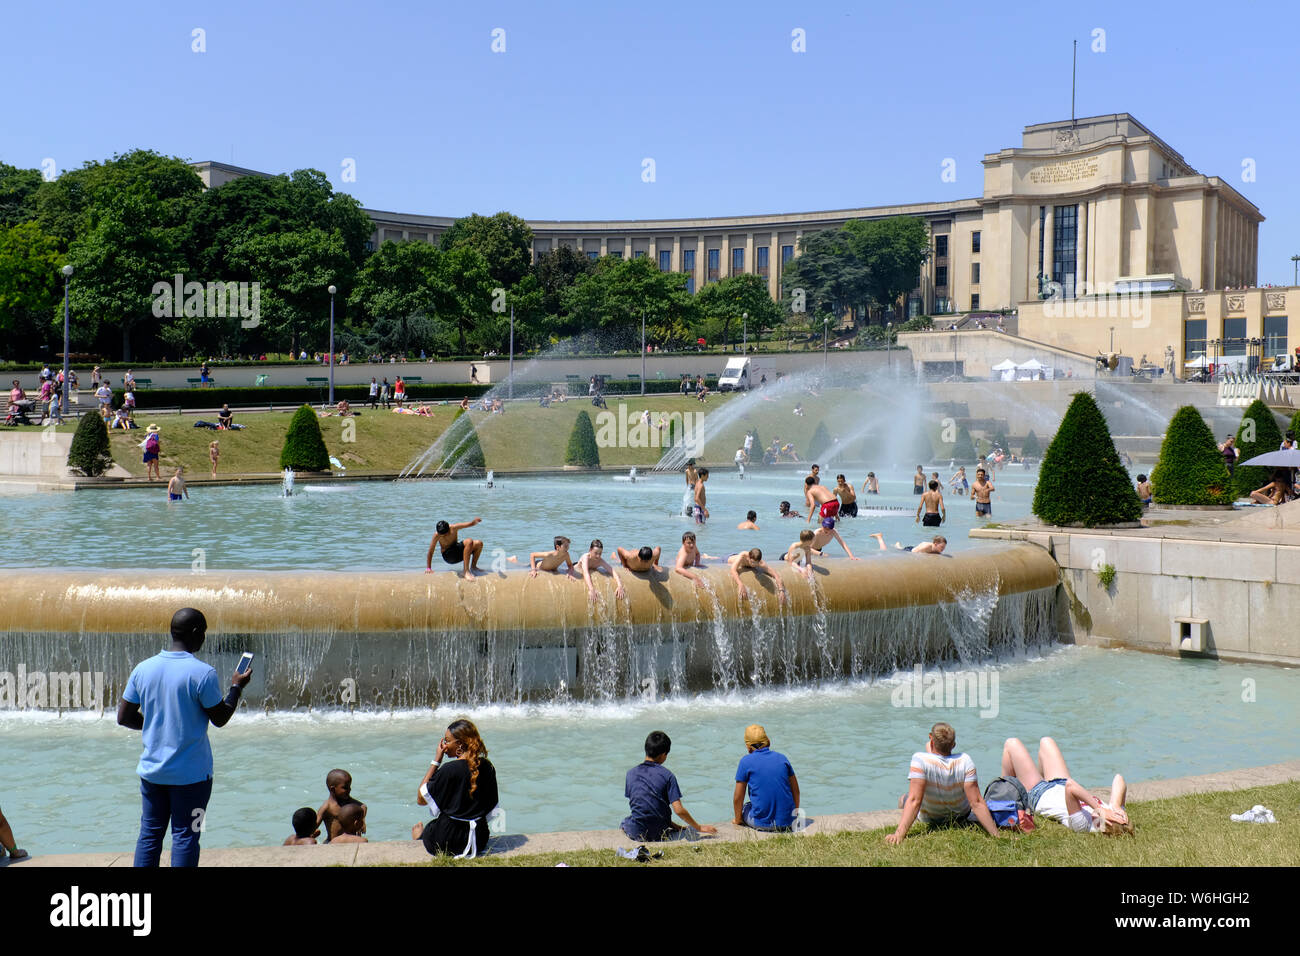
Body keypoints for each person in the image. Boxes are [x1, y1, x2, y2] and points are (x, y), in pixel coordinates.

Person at [117, 607, 252, 866]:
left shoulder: (143, 669)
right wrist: (236, 687)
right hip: (194, 777)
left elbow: (124, 717)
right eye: (203, 632)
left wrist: (155, 726)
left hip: (152, 772)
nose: (204, 638)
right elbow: (220, 718)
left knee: (149, 835)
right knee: (188, 835)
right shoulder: (203, 673)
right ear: (195, 633)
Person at [886, 722, 1000, 844]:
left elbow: (915, 800)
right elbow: (976, 802)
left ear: (931, 738)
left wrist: (899, 834)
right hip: (960, 815)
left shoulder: (919, 760)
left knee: (904, 798)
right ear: (954, 745)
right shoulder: (965, 760)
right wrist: (996, 835)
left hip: (930, 818)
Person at [1000, 737, 1133, 835]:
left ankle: (1002, 805)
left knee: (1011, 744)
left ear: (1103, 825)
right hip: (1060, 784)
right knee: (1047, 742)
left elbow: (1071, 787)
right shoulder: (1111, 812)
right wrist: (1115, 805)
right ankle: (1030, 786)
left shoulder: (1083, 825)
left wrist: (1099, 808)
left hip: (1039, 794)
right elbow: (1119, 778)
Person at [411, 719, 500, 858]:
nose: (444, 746)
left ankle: (419, 837)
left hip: (448, 840)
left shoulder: (448, 770)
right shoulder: (488, 766)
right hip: (479, 838)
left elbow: (421, 799)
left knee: (429, 829)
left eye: (447, 741)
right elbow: (491, 807)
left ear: (460, 744)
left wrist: (436, 761)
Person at [621, 731, 717, 841]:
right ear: (663, 754)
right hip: (661, 832)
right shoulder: (668, 776)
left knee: (626, 821)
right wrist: (698, 827)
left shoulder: (630, 774)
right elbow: (679, 810)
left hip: (637, 832)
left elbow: (644, 807)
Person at [733, 725, 800, 831]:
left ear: (748, 746)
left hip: (762, 824)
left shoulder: (745, 761)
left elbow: (738, 798)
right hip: (788, 822)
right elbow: (796, 791)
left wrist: (737, 819)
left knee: (746, 806)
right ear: (768, 741)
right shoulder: (782, 758)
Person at [316, 768, 366, 842]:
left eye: (350, 786)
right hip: (333, 842)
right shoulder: (327, 807)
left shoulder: (350, 802)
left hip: (351, 841)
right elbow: (314, 825)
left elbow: (363, 806)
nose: (349, 789)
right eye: (345, 787)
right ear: (333, 789)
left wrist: (362, 819)